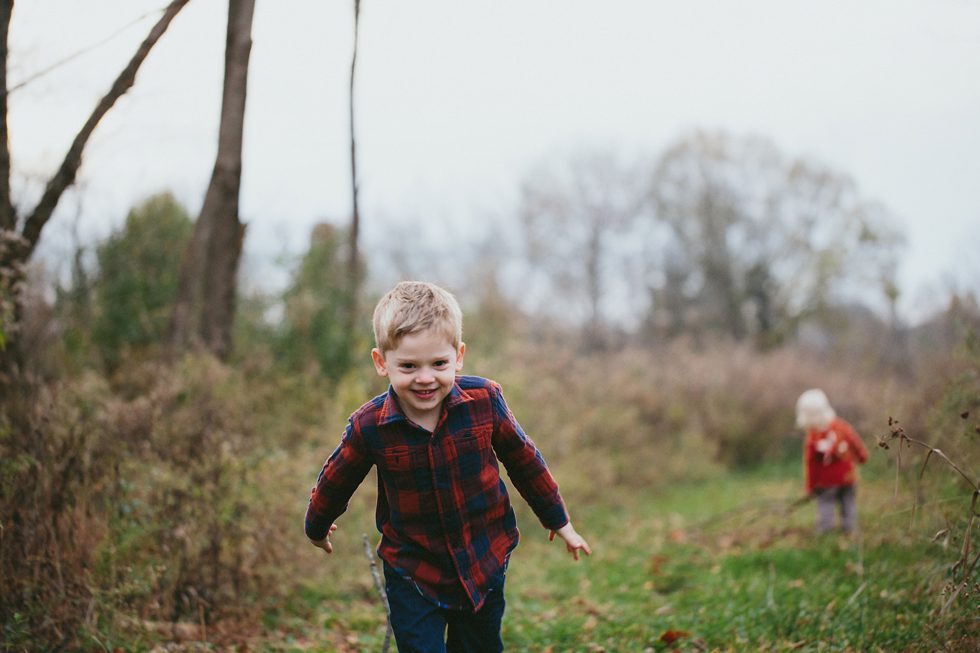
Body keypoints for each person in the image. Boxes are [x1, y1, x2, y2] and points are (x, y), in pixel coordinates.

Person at [305, 280, 591, 653]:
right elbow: (335, 480)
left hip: (482, 558)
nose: (425, 378)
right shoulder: (370, 426)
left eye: (438, 364)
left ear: (458, 356)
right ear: (381, 362)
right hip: (413, 569)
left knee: (479, 646)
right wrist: (316, 526)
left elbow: (524, 460)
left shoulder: (484, 401)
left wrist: (559, 520)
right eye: (408, 366)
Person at [796, 388, 869, 535]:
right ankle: (850, 529)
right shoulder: (841, 427)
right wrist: (862, 457)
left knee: (825, 506)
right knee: (848, 505)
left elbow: (811, 465)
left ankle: (825, 531)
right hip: (848, 477)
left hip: (827, 482)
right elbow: (855, 442)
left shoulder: (813, 438)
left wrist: (811, 486)